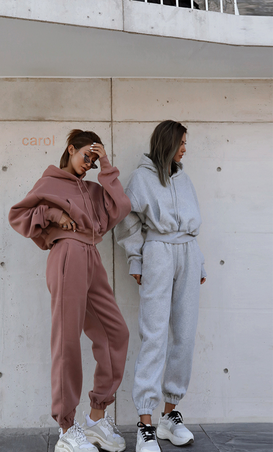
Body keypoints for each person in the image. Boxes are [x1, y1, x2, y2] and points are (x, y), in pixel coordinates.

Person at [9, 129, 131, 452]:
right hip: (67, 256)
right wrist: (53, 213)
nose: (88, 163)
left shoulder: (93, 188)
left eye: (94, 159)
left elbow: (120, 208)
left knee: (115, 333)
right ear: (70, 149)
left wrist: (105, 164)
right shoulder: (50, 182)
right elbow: (18, 215)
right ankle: (66, 429)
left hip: (92, 257)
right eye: (86, 156)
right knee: (67, 340)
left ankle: (95, 417)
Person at [115, 120, 206, 449]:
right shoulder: (141, 178)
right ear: (167, 142)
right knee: (153, 335)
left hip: (187, 254)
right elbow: (126, 221)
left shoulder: (184, 177)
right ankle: (145, 423)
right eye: (182, 142)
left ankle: (170, 415)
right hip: (157, 253)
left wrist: (199, 261)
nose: (185, 148)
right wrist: (135, 259)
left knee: (184, 333)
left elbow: (192, 224)